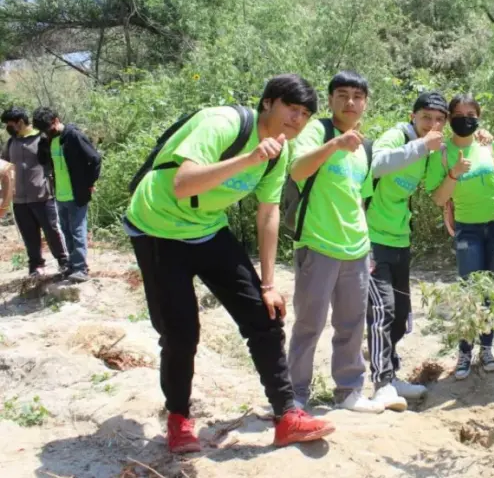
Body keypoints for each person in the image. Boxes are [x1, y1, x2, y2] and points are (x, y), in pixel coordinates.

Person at [124, 74, 334, 453]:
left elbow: (268, 214)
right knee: (180, 332)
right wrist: (250, 158)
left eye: (305, 113)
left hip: (206, 229)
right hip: (157, 228)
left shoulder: (280, 152)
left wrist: (268, 284)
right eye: (292, 108)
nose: (298, 119)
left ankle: (287, 415)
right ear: (268, 102)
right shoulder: (222, 123)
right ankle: (178, 419)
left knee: (264, 315)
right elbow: (183, 184)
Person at [287, 70, 383, 413]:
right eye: (342, 95)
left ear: (366, 103)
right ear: (330, 100)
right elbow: (297, 171)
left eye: (357, 96)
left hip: (356, 248)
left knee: (352, 324)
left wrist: (368, 246)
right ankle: (295, 394)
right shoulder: (318, 130)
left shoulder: (365, 148)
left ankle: (349, 391)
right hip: (317, 242)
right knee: (308, 324)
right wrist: (334, 145)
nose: (350, 102)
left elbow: (360, 199)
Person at [365, 91, 447, 409]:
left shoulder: (431, 151)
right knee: (382, 311)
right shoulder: (398, 135)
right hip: (371, 237)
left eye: (439, 120)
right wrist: (420, 146)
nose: (432, 124)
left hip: (400, 238)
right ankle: (382, 383)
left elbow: (438, 190)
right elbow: (377, 164)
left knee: (401, 317)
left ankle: (391, 373)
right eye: (426, 117)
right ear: (413, 117)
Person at [425, 94, 494, 381]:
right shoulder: (441, 151)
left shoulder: (488, 144)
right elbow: (438, 197)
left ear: (479, 116)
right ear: (449, 118)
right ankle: (464, 352)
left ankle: (487, 349)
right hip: (468, 227)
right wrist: (454, 173)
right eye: (459, 114)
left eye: (471, 113)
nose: (466, 118)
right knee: (470, 290)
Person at [33, 107, 101, 283]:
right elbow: (42, 161)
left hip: (76, 193)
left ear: (56, 120)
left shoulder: (73, 135)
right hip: (60, 195)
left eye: (48, 128)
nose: (48, 132)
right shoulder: (50, 140)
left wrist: (89, 183)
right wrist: (43, 141)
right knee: (66, 231)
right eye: (43, 130)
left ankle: (80, 268)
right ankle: (72, 265)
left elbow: (94, 159)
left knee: (77, 230)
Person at [1, 107, 69, 277]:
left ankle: (64, 262)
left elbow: (55, 162)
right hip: (19, 200)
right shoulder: (11, 143)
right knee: (29, 235)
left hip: (43, 195)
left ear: (20, 122)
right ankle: (35, 266)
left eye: (10, 124)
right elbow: (5, 168)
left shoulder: (43, 138)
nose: (8, 128)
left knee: (52, 230)